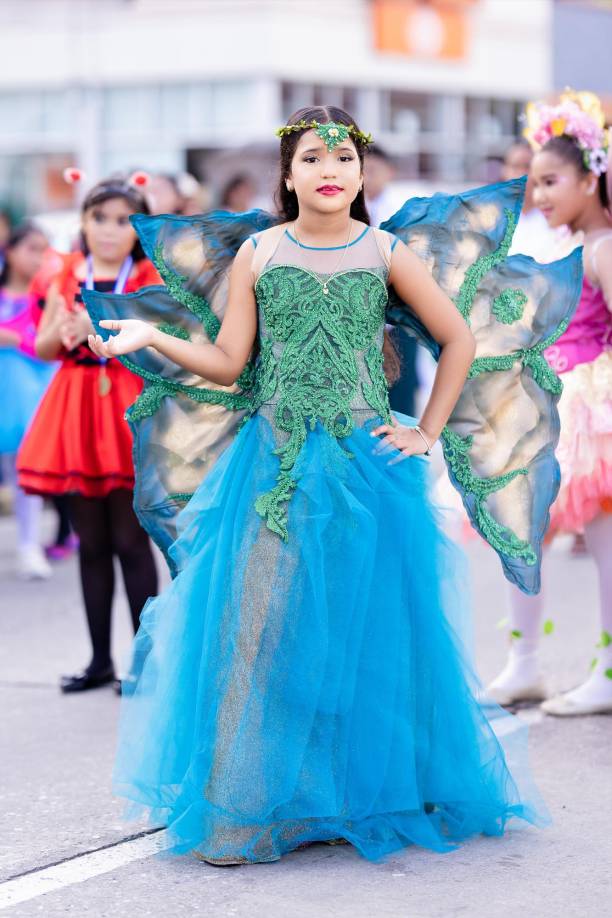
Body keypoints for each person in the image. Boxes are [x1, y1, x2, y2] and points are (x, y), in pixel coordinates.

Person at [85, 106, 580, 865]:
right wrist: (152, 337)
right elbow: (230, 361)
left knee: (364, 631)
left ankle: (350, 795)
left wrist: (424, 433)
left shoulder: (383, 252)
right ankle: (244, 805)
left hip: (363, 466)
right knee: (257, 627)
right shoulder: (259, 252)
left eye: (344, 158)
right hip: (271, 462)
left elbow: (456, 338)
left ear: (359, 171)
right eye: (313, 158)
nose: (330, 171)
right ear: (288, 175)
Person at [487, 90, 612, 716]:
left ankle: (608, 667)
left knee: (603, 539)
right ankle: (524, 662)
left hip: (590, 407)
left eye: (551, 181)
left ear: (592, 179)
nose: (537, 195)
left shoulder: (603, 248)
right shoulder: (561, 247)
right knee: (519, 530)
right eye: (533, 183)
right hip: (541, 399)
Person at [17, 175, 159, 693]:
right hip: (75, 407)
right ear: (83, 221)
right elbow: (46, 347)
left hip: (127, 403)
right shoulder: (67, 273)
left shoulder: (147, 274)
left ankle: (144, 664)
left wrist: (99, 329)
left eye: (122, 220)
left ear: (138, 227)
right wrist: (68, 327)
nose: (108, 230)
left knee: (130, 541)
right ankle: (100, 659)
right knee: (92, 542)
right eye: (99, 217)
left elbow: (161, 345)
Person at [0, 223, 56, 579]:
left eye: (44, 249)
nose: (39, 257)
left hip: (36, 390)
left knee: (26, 469)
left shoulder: (49, 296)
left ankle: (29, 544)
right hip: (7, 392)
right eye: (32, 248)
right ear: (10, 251)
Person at [365, 145, 419, 417]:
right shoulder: (347, 210)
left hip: (398, 317)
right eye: (363, 171)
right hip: (363, 318)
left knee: (401, 396)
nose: (368, 177)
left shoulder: (402, 210)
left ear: (390, 172)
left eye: (373, 170)